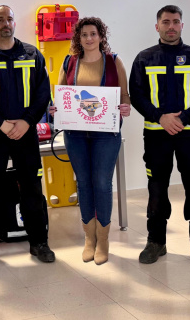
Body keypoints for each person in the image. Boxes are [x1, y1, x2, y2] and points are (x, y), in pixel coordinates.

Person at [130, 5, 190, 269]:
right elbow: (137, 96)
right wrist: (160, 118)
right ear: (157, 26)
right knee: (157, 189)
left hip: (189, 137)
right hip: (156, 137)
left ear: (182, 25)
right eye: (166, 22)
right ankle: (156, 242)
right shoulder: (144, 59)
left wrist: (183, 119)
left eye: (176, 22)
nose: (171, 26)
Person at [0, 5, 54, 271]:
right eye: (0, 20)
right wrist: (1, 124)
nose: (5, 23)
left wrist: (27, 121)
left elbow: (43, 93)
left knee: (32, 190)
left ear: (15, 23)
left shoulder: (33, 54)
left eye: (9, 19)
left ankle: (39, 243)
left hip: (26, 133)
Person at [53, 17, 131, 265]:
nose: (89, 38)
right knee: (84, 183)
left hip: (106, 133)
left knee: (102, 183)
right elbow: (61, 95)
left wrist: (126, 107)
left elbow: (125, 96)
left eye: (93, 34)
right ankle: (90, 238)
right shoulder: (69, 62)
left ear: (101, 36)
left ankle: (103, 240)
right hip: (75, 133)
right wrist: (56, 109)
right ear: (79, 38)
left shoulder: (114, 61)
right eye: (84, 34)